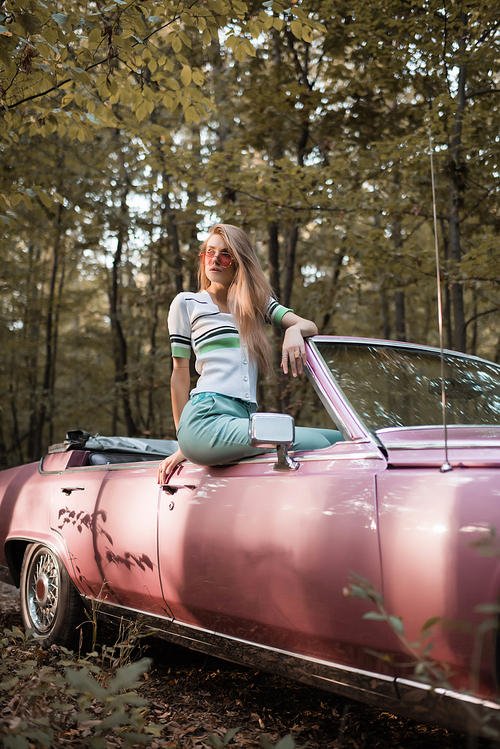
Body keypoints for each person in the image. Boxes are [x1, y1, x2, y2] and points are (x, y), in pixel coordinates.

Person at [157, 224, 341, 484]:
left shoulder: (255, 305)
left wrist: (292, 332)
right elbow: (179, 374)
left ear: (239, 262)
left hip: (243, 420)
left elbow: (308, 325)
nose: (215, 260)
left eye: (225, 254)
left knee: (341, 439)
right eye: (209, 253)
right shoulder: (188, 303)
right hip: (204, 418)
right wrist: (182, 445)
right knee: (315, 443)